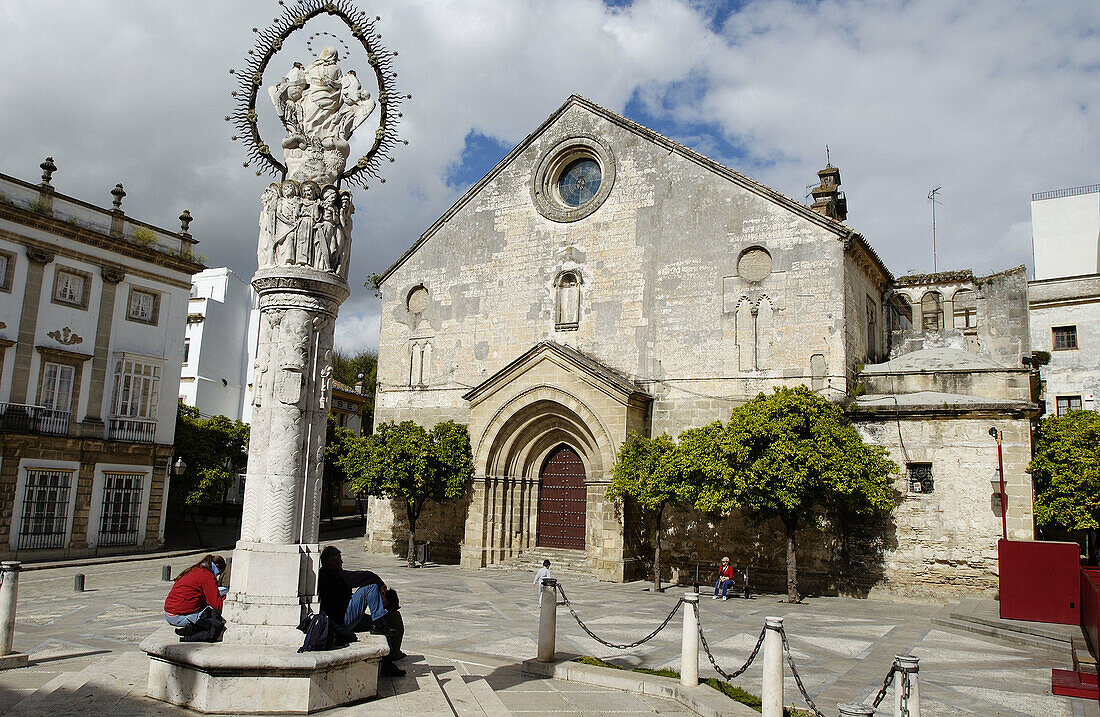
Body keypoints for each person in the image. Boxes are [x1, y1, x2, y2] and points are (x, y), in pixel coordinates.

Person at [317, 546, 405, 676]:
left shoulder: (329, 574)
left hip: (342, 617)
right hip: (342, 620)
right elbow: (364, 576)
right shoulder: (333, 575)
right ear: (332, 562)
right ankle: (380, 625)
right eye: (339, 560)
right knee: (370, 587)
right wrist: (380, 583)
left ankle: (388, 662)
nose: (342, 563)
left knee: (382, 624)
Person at [164, 555, 227, 627]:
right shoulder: (207, 575)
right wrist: (227, 597)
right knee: (213, 613)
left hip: (168, 614)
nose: (216, 576)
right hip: (179, 617)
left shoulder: (194, 569)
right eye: (218, 574)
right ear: (217, 566)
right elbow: (217, 605)